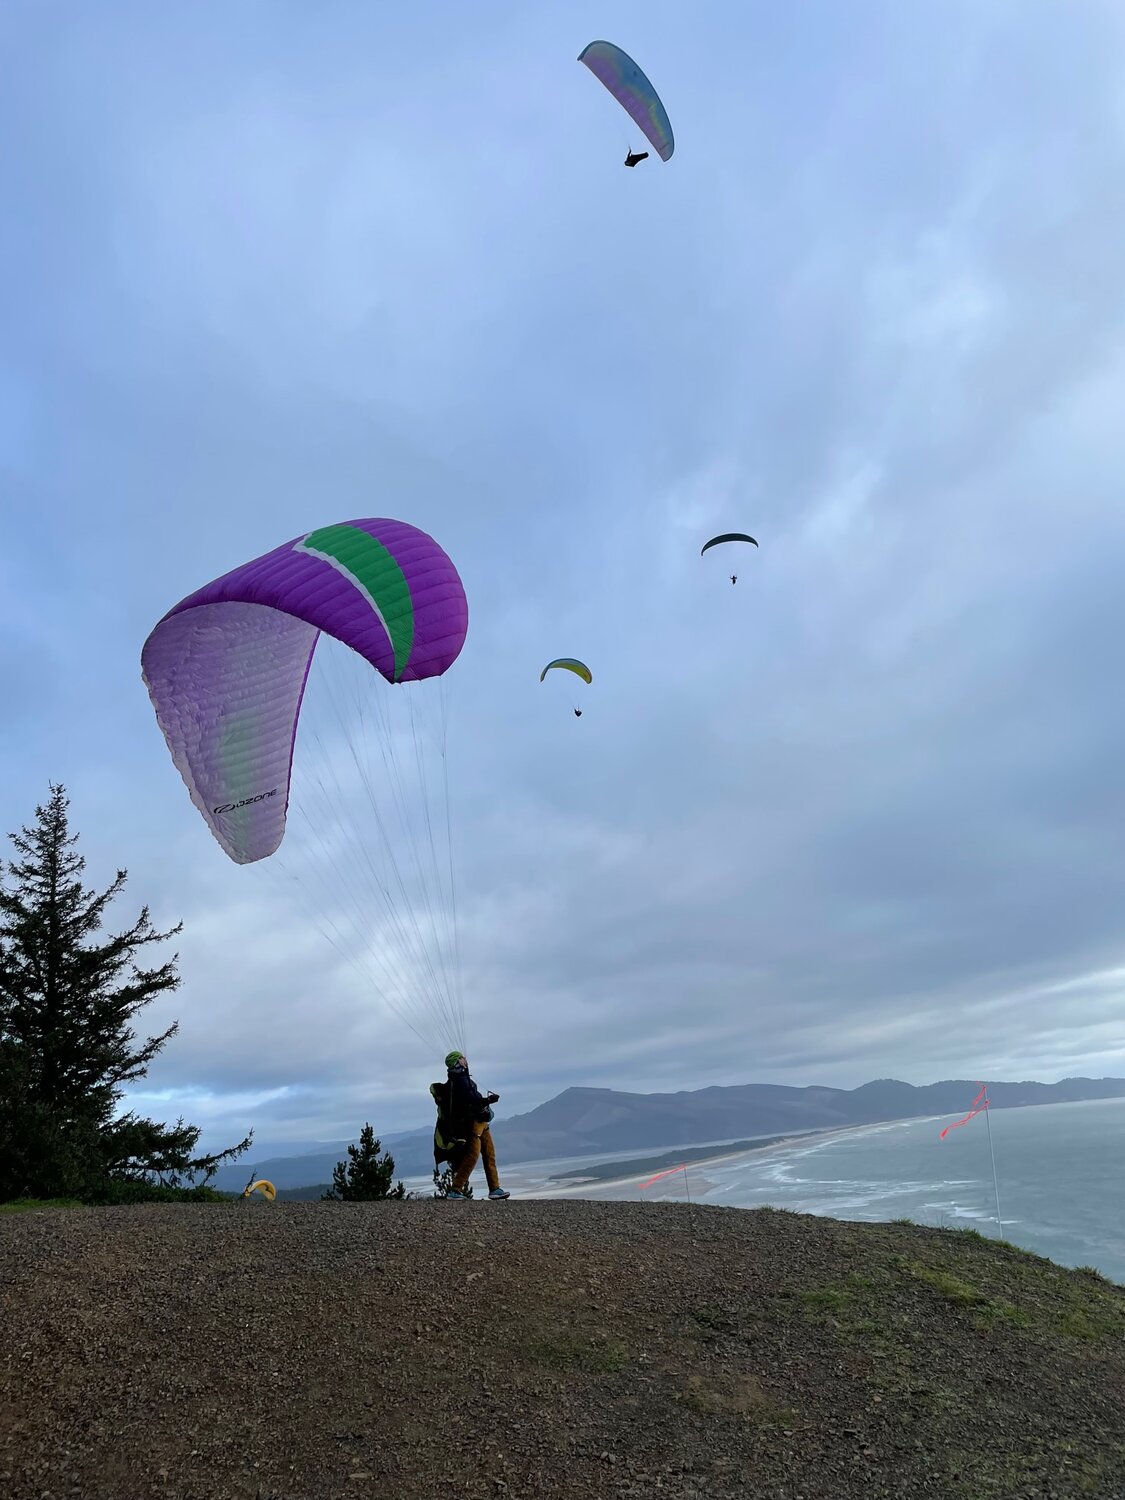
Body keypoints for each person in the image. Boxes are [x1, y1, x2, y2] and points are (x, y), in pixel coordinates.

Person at [442, 1051, 510, 1200]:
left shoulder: (464, 1078)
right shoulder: (459, 1081)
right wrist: (489, 1100)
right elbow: (471, 1100)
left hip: (481, 1122)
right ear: (457, 1062)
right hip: (472, 1124)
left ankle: (494, 1188)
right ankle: (455, 1190)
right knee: (473, 1155)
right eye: (461, 1058)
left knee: (489, 1153)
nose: (465, 1059)